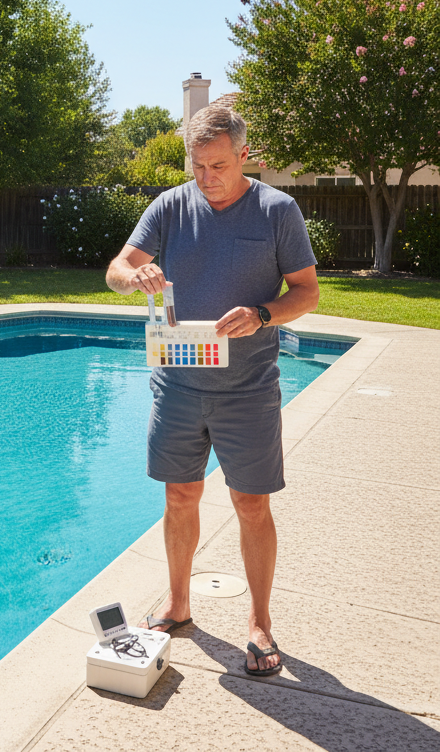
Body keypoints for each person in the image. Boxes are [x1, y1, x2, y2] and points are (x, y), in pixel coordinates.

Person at [105, 105, 319, 677]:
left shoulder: (277, 210)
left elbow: (306, 292)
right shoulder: (170, 206)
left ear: (244, 155)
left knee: (251, 504)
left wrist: (262, 313)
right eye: (197, 166)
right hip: (176, 383)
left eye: (218, 165)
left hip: (248, 388)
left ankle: (260, 623)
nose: (206, 178)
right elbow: (117, 268)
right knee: (179, 496)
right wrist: (134, 276)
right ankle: (178, 605)